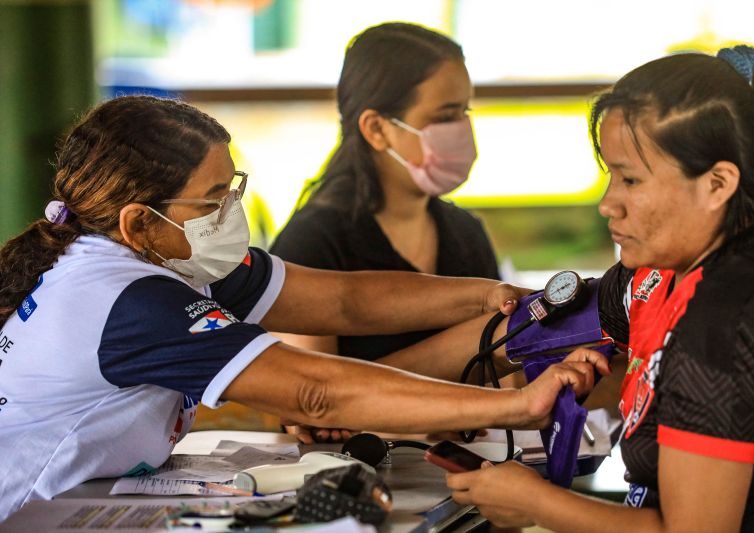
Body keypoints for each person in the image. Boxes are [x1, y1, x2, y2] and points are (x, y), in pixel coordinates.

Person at [0, 95, 608, 521]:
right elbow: (315, 390)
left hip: (87, 499)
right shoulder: (128, 298)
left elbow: (343, 299)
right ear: (140, 222)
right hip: (35, 512)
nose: (231, 213)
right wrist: (515, 404)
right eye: (213, 199)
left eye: (233, 187)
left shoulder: (172, 257)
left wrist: (484, 293)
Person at [444, 45, 754, 532]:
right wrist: (611, 381)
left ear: (717, 184)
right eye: (610, 175)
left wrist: (534, 503)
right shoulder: (672, 275)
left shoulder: (723, 328)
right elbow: (526, 330)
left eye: (631, 180)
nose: (608, 204)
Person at [270, 22, 499, 360]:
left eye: (464, 112)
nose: (462, 129)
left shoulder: (465, 233)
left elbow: (507, 371)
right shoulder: (312, 246)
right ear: (377, 129)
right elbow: (307, 402)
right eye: (445, 116)